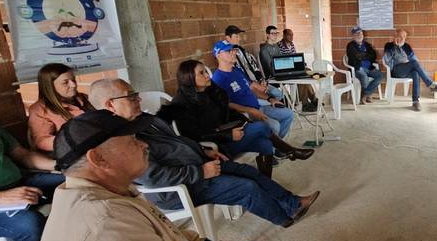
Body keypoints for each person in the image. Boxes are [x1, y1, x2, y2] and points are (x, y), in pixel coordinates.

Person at [35, 109, 297, 241]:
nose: (144, 145)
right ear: (99, 159)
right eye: (132, 141)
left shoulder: (106, 190)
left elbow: (160, 228)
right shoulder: (99, 222)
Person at [88, 78, 319, 227]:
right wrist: (200, 171)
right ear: (110, 105)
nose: (138, 98)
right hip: (180, 187)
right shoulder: (119, 141)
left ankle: (292, 202)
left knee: (248, 171)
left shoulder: (144, 120)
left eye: (135, 93)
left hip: (197, 164)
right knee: (246, 188)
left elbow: (178, 141)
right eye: (130, 96)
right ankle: (284, 219)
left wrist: (204, 152)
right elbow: (154, 177)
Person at [160, 59, 314, 176]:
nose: (207, 75)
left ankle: (267, 182)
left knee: (266, 145)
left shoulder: (210, 92)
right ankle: (290, 151)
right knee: (262, 126)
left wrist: (244, 123)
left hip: (228, 134)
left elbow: (228, 112)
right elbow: (193, 136)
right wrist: (227, 135)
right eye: (201, 73)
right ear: (189, 77)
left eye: (206, 71)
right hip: (215, 147)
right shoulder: (181, 104)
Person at [0, 115, 62, 241]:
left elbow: (22, 155)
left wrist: (61, 165)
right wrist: (4, 197)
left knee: (73, 182)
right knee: (30, 225)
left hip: (20, 182)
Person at [212, 41, 296, 139]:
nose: (234, 52)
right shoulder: (218, 79)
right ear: (218, 55)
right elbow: (227, 104)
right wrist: (251, 110)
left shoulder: (237, 70)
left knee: (289, 114)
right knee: (274, 125)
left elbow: (251, 89)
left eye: (233, 50)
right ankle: (274, 144)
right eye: (228, 51)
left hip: (258, 107)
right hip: (245, 114)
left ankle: (277, 144)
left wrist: (270, 99)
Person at [28, 63, 94, 153]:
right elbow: (42, 141)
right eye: (65, 82)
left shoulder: (84, 97)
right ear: (50, 86)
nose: (73, 85)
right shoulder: (39, 109)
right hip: (75, 151)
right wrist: (74, 139)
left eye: (73, 79)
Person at [382, 29, 437, 111]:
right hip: (396, 70)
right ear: (396, 36)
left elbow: (414, 59)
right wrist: (396, 46)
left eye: (404, 36)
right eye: (401, 36)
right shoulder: (389, 45)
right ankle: (430, 84)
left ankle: (415, 101)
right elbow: (387, 60)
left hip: (407, 69)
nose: (403, 38)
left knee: (416, 72)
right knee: (414, 64)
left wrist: (408, 62)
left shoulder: (407, 46)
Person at [260, 26, 318, 112]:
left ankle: (311, 100)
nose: (275, 35)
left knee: (304, 72)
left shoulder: (275, 46)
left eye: (276, 33)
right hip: (274, 76)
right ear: (267, 35)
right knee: (300, 77)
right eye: (272, 33)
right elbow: (270, 68)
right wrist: (287, 69)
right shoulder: (264, 49)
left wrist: (292, 67)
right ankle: (305, 103)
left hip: (282, 70)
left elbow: (283, 59)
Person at [224, 24, 284, 101]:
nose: (239, 39)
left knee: (278, 93)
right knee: (272, 98)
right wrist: (255, 85)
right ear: (228, 38)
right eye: (236, 36)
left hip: (257, 81)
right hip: (248, 86)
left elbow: (254, 67)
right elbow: (239, 76)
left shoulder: (242, 51)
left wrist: (261, 79)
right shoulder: (228, 56)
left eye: (239, 36)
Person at [345, 27, 382, 104]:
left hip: (369, 68)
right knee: (364, 76)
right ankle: (367, 96)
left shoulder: (367, 45)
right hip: (357, 68)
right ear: (353, 36)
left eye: (361, 33)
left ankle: (365, 94)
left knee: (380, 75)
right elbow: (356, 56)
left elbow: (373, 56)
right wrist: (367, 55)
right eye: (357, 33)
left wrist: (362, 56)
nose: (359, 35)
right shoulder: (350, 45)